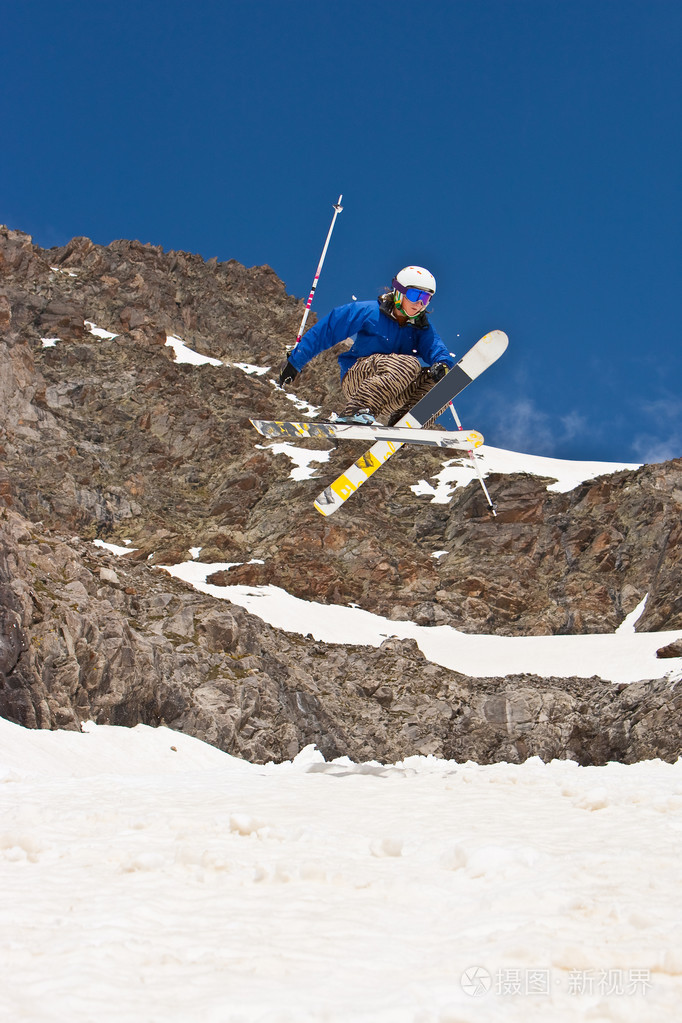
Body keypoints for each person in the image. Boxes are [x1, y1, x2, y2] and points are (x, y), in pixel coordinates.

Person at [277, 266, 456, 426]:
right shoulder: (369, 311)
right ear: (399, 293)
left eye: (426, 298)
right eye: (415, 296)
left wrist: (443, 365)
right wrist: (295, 361)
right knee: (409, 364)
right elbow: (329, 329)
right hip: (360, 378)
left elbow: (436, 348)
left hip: (396, 391)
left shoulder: (421, 327)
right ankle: (357, 410)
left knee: (446, 384)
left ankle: (406, 422)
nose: (419, 304)